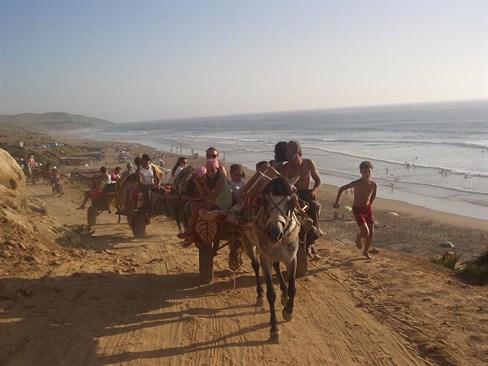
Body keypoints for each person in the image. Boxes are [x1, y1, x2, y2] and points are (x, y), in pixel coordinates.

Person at [278, 140, 322, 257]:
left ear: (300, 154)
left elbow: (318, 181)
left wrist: (314, 191)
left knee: (313, 206)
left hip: (307, 193)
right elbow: (286, 186)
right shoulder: (285, 168)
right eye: (289, 158)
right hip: (292, 194)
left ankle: (312, 236)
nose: (291, 161)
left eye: (294, 158)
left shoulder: (308, 163)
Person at [177, 159, 232, 244]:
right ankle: (191, 232)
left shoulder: (221, 178)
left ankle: (189, 233)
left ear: (217, 169)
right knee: (194, 206)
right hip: (216, 201)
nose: (211, 173)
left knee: (195, 207)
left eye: (213, 171)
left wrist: (208, 208)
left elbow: (215, 194)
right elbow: (209, 194)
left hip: (223, 203)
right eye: (209, 171)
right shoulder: (209, 178)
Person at [333, 161, 377, 259]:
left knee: (371, 232)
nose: (367, 174)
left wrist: (370, 203)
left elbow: (373, 194)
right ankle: (358, 236)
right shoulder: (356, 183)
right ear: (360, 172)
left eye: (369, 171)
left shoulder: (373, 184)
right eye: (365, 172)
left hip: (368, 208)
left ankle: (365, 252)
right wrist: (337, 201)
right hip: (358, 209)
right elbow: (341, 189)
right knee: (365, 232)